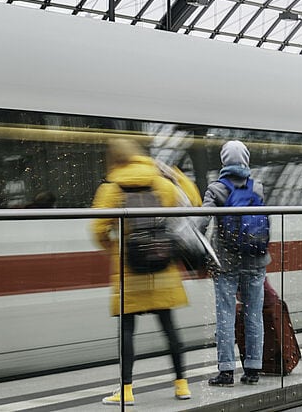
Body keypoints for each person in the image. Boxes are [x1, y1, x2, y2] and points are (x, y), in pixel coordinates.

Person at [90, 139, 191, 405]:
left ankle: (126, 391)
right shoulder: (161, 183)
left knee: (127, 331)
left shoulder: (110, 189)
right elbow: (191, 201)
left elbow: (98, 229)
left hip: (129, 268)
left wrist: (115, 248)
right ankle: (182, 386)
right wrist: (175, 174)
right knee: (169, 328)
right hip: (161, 266)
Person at [204, 140, 271, 386]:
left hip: (226, 261)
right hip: (256, 260)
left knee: (225, 313)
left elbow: (201, 222)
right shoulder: (257, 187)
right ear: (246, 159)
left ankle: (226, 370)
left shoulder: (216, 190)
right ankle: (253, 368)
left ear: (223, 160)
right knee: (253, 313)